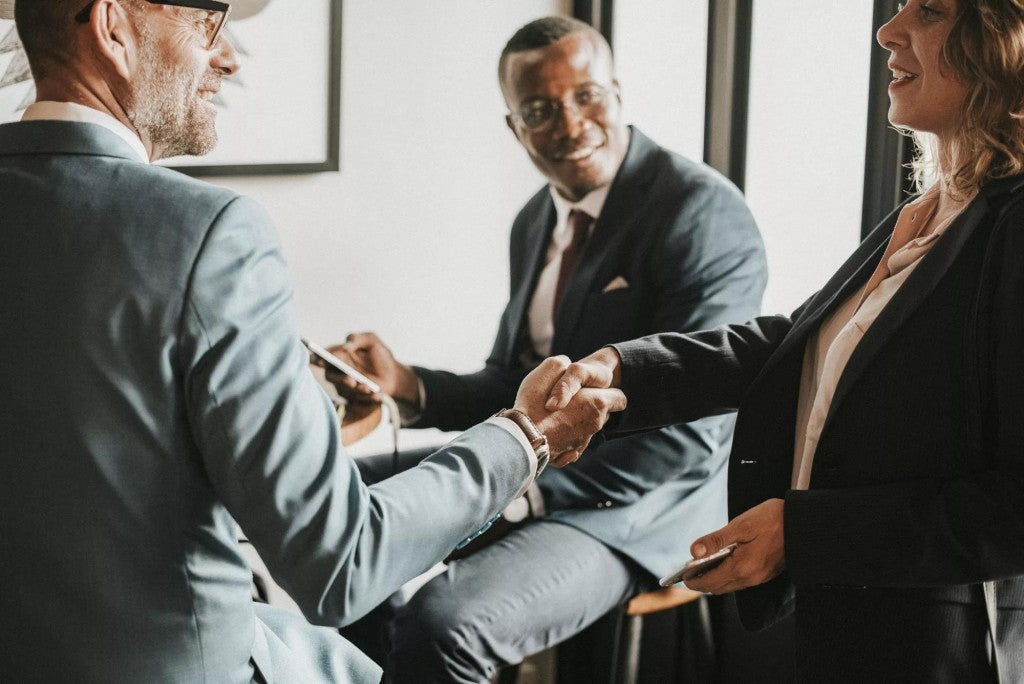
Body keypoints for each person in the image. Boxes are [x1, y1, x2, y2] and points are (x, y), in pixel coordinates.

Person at [0, 2, 626, 682]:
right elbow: (339, 563)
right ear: (113, 24)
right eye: (207, 21)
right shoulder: (209, 232)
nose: (230, 57)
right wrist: (525, 437)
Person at [548, 0, 1024, 680]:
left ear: (1005, 41)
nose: (889, 31)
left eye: (933, 10)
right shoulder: (931, 211)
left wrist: (803, 534)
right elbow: (793, 345)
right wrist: (618, 373)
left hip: (942, 652)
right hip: (851, 628)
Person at [327, 15, 767, 682]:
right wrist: (407, 384)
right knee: (341, 504)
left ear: (617, 93)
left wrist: (512, 486)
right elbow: (515, 382)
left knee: (445, 624)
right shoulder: (535, 221)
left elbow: (690, 435)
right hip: (538, 473)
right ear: (514, 126)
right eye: (539, 108)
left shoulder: (701, 213)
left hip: (643, 507)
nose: (568, 123)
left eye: (586, 95)